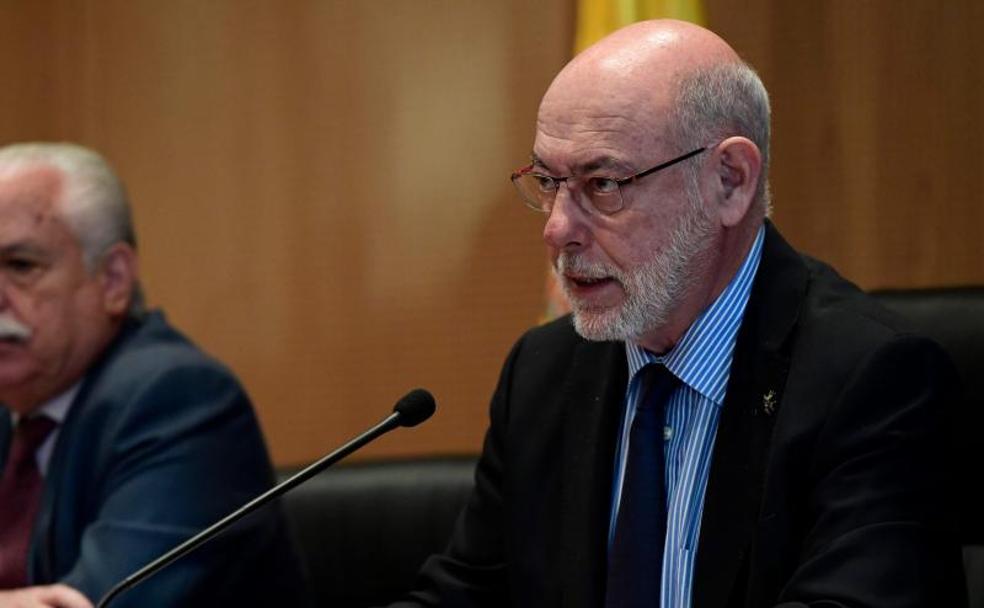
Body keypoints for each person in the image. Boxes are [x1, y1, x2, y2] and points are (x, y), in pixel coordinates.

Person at [393, 19, 966, 608]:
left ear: (729, 181)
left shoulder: (875, 383)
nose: (557, 229)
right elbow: (467, 593)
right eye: (547, 181)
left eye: (603, 184)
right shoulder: (542, 373)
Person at [0, 143, 307, 608]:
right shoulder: (16, 409)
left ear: (113, 280)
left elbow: (94, 605)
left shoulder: (177, 399)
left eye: (21, 266)